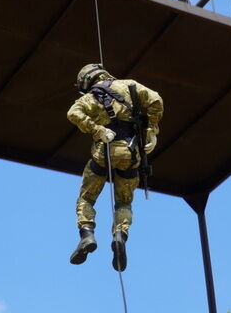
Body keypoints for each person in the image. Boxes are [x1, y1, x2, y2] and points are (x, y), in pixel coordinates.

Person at [66, 63, 164, 272]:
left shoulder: (89, 98)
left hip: (104, 153)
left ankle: (87, 233)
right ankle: (120, 235)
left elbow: (73, 113)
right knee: (123, 203)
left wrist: (97, 129)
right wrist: (151, 130)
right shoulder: (130, 85)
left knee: (87, 198)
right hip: (131, 154)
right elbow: (156, 100)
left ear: (86, 81)